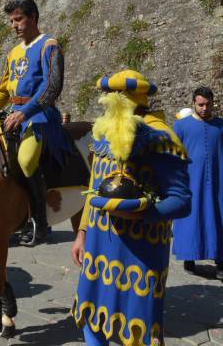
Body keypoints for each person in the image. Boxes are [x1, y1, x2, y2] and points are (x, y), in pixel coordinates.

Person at [70, 70, 191, 346]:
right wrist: (82, 233)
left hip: (140, 251)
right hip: (99, 246)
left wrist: (142, 212)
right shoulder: (102, 132)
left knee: (138, 331)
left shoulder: (161, 137)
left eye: (113, 100)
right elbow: (93, 188)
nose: (105, 104)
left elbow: (182, 200)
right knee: (91, 317)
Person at [0, 0, 68, 245]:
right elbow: (3, 88)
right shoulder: (13, 53)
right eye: (11, 21)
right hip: (13, 115)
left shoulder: (49, 45)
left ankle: (40, 223)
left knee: (27, 160)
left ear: (33, 17)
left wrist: (25, 113)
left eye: (18, 19)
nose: (14, 25)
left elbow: (52, 87)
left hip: (39, 114)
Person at [172, 87, 223, 280]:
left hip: (219, 181)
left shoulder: (221, 125)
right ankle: (189, 258)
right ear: (193, 102)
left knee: (219, 218)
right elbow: (175, 155)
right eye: (200, 104)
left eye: (208, 104)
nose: (204, 108)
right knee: (191, 219)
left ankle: (220, 262)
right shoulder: (181, 126)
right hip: (191, 180)